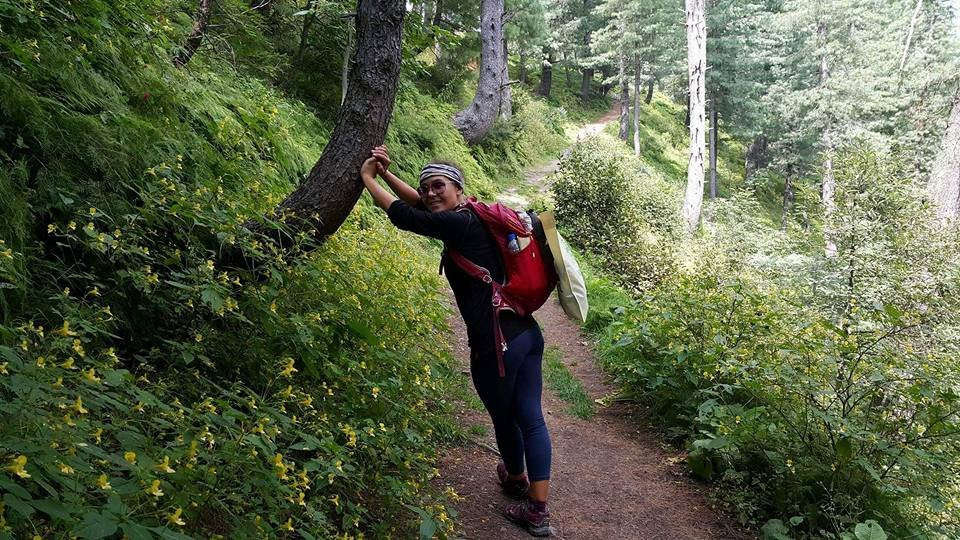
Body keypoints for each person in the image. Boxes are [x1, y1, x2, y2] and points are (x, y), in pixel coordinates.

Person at [360, 146, 554, 537]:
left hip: (495, 343)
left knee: (507, 417)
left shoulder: (459, 224)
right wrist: (388, 175)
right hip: (526, 333)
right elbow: (420, 204)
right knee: (530, 416)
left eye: (439, 186)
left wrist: (367, 179)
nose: (431, 193)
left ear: (459, 190)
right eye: (426, 187)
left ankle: (518, 481)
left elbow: (402, 215)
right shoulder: (473, 216)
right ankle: (535, 505)